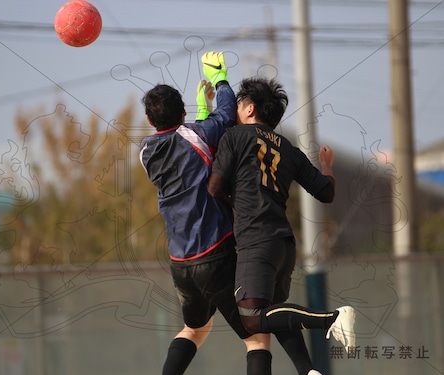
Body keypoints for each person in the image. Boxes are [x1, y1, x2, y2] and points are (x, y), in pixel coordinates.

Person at [208, 76, 356, 375]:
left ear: (249, 109)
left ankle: (332, 317)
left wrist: (234, 208)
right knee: (275, 313)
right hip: (283, 245)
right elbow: (326, 192)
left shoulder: (234, 137)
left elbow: (214, 187)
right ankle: (308, 371)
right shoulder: (288, 149)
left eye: (237, 105)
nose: (234, 111)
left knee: (252, 318)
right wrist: (326, 167)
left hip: (256, 240)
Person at [139, 52, 272, 375]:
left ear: (149, 120)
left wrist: (201, 111)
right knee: (257, 338)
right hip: (214, 253)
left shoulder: (146, 150)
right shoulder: (196, 135)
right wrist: (220, 79)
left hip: (180, 262)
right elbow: (227, 114)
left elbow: (191, 142)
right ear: (182, 111)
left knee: (195, 330)